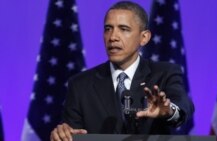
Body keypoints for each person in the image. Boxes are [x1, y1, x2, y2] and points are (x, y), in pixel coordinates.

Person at [50, 1, 194, 140]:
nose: (113, 37)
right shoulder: (80, 84)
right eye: (108, 29)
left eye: (123, 29)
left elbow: (183, 106)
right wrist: (62, 135)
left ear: (144, 38)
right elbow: (71, 134)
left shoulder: (164, 73)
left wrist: (169, 111)